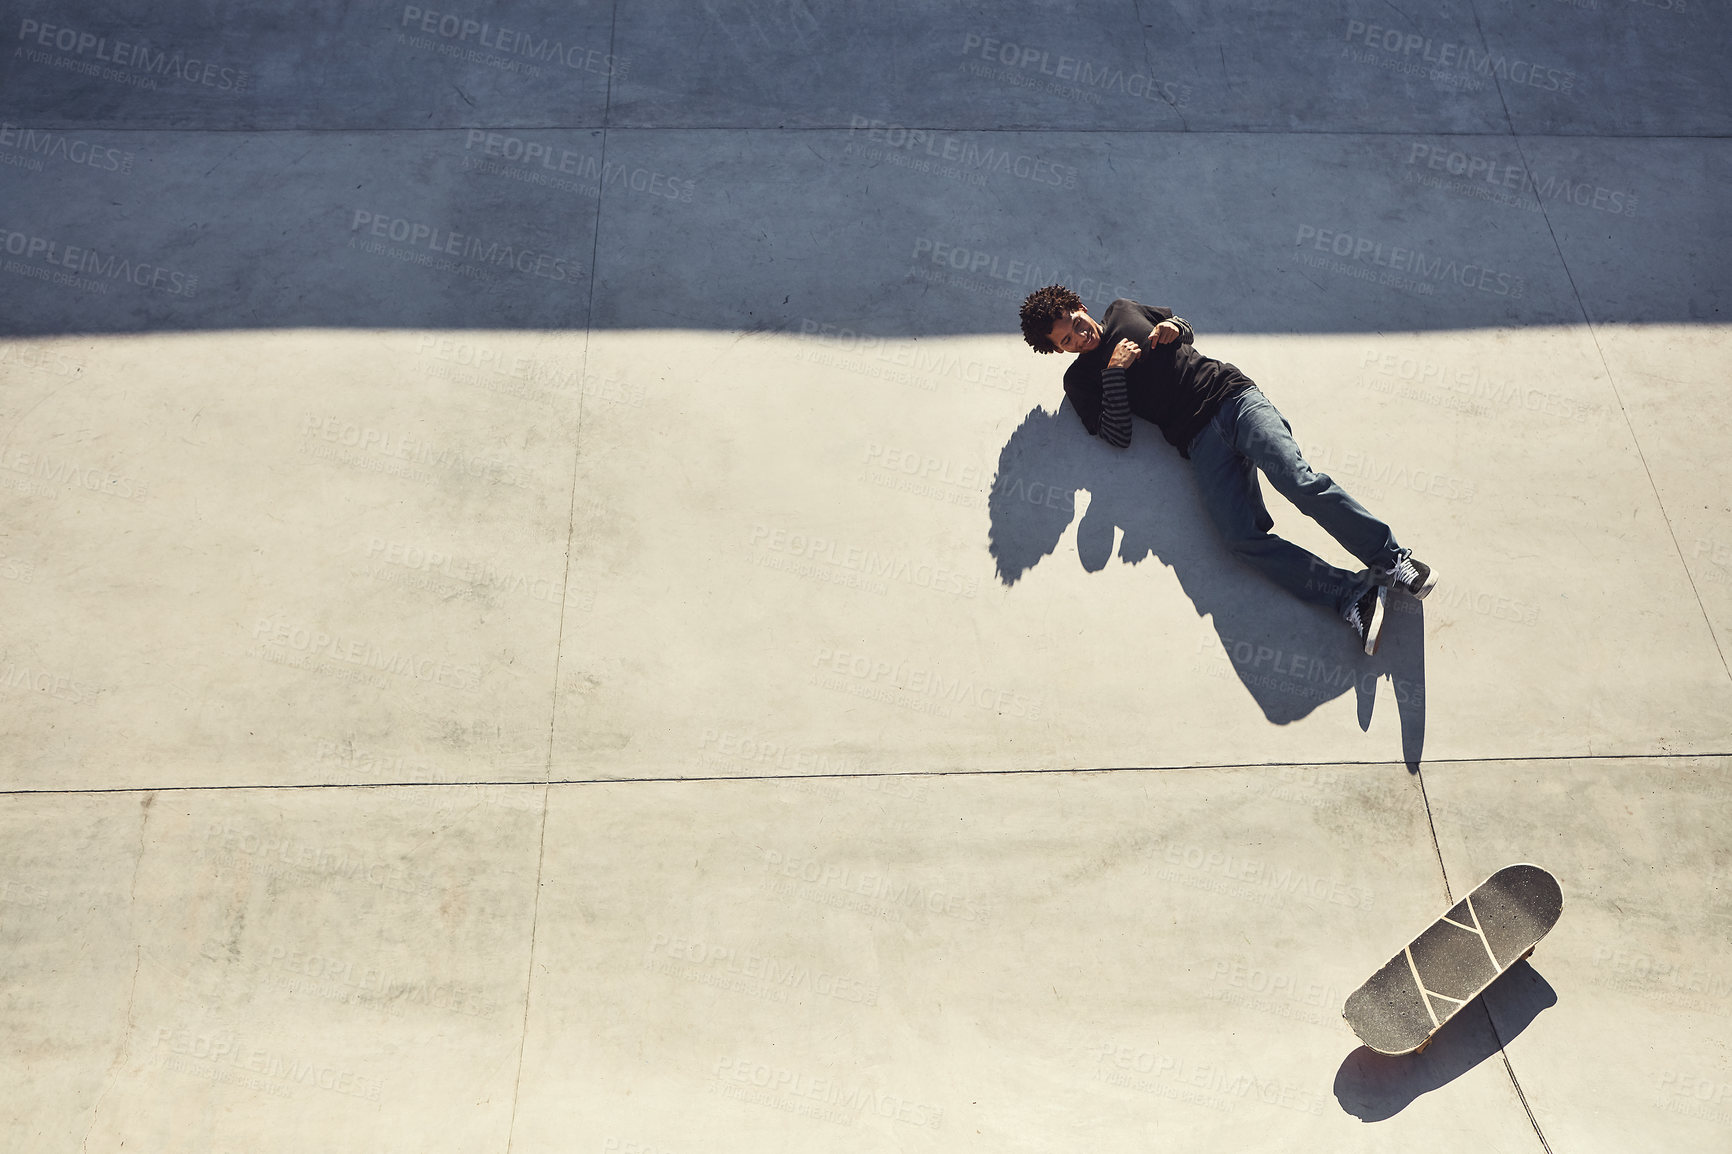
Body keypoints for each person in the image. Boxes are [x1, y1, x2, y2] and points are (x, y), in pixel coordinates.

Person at [1017, 285, 1434, 655]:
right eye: (1067, 342)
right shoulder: (1081, 382)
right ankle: (1351, 596)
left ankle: (1393, 559)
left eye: (1075, 325)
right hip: (1198, 441)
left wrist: (1174, 330)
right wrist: (1113, 373)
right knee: (1239, 540)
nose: (1079, 339)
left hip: (1233, 398)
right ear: (1060, 351)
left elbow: (1180, 324)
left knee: (1299, 481)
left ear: (1079, 305)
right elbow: (1116, 435)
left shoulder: (1124, 308)